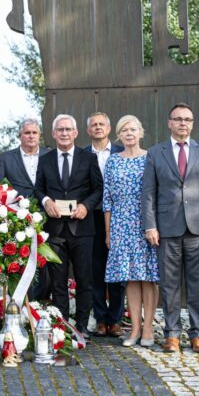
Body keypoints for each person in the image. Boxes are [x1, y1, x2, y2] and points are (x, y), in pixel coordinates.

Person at [141, 103, 199, 354]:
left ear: (193, 123)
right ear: (169, 123)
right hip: (166, 228)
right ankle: (172, 334)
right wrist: (150, 225)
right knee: (169, 285)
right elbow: (148, 192)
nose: (183, 123)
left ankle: (198, 334)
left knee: (197, 284)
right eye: (178, 119)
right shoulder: (156, 153)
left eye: (187, 119)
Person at [35, 114, 103, 338]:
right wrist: (46, 202)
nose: (64, 133)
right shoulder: (44, 159)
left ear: (75, 133)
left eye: (68, 129)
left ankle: (82, 326)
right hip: (55, 230)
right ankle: (62, 325)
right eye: (60, 130)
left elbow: (98, 190)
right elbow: (38, 189)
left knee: (85, 280)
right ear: (53, 134)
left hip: (82, 230)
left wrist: (86, 206)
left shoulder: (88, 158)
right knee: (58, 283)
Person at [102, 115, 159, 347]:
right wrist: (108, 232)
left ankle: (148, 328)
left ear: (141, 132)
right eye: (124, 130)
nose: (129, 133)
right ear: (119, 135)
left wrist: (154, 225)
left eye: (133, 129)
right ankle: (134, 328)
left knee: (148, 277)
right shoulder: (113, 161)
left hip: (146, 222)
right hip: (121, 224)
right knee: (131, 278)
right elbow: (107, 199)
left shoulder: (151, 158)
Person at [0, 118, 52, 300]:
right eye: (27, 133)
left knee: (46, 264)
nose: (31, 136)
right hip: (16, 221)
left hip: (48, 218)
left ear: (40, 135)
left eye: (35, 133)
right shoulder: (6, 158)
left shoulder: (50, 155)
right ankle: (18, 305)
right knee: (18, 263)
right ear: (20, 136)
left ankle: (42, 305)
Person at [84, 112, 125, 338]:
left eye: (102, 124)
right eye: (94, 125)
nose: (98, 128)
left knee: (118, 269)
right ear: (89, 130)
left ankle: (116, 319)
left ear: (109, 129)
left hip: (119, 218)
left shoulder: (122, 152)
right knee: (96, 269)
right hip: (91, 218)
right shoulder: (81, 155)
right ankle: (101, 319)